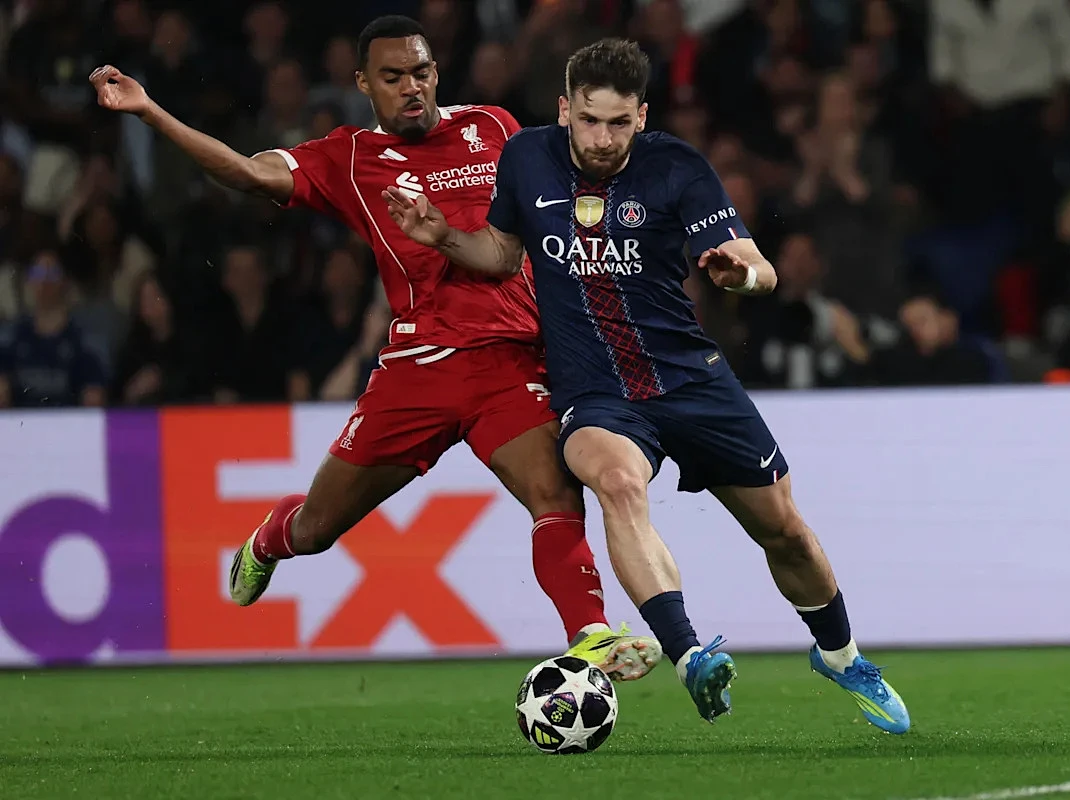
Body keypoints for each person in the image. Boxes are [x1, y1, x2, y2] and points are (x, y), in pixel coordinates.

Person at [88, 16, 661, 680]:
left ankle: (590, 635)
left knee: (555, 492)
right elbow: (247, 173)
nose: (410, 88)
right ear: (363, 83)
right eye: (392, 77)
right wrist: (149, 111)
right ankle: (273, 536)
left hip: (512, 361)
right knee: (317, 529)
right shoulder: (349, 156)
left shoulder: (495, 127)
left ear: (436, 73)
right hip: (420, 373)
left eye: (420, 72)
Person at [384, 37, 911, 733]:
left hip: (690, 379)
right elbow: (502, 254)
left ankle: (841, 657)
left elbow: (762, 267)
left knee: (785, 533)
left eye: (619, 123)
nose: (603, 140)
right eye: (590, 121)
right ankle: (689, 652)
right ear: (565, 109)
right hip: (595, 393)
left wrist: (740, 274)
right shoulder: (527, 157)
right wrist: (443, 234)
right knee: (618, 484)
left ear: (642, 116)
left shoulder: (676, 167)